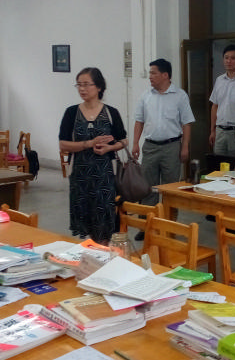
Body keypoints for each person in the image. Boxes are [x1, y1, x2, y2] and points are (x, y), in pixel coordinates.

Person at [59, 67, 127, 243]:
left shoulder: (111, 112)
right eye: (79, 85)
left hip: (104, 176)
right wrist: (88, 144)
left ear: (99, 87)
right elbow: (63, 144)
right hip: (80, 176)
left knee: (104, 221)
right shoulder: (71, 112)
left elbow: (124, 141)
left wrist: (109, 149)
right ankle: (92, 252)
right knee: (85, 219)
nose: (82, 89)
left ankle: (102, 252)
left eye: (86, 84)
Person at [132, 58, 195, 202]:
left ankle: (169, 216)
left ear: (165, 75)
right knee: (148, 187)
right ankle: (148, 215)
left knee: (171, 188)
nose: (150, 76)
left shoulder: (180, 96)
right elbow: (139, 121)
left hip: (171, 147)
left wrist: (185, 147)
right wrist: (135, 143)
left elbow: (187, 123)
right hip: (150, 147)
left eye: (153, 73)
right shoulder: (146, 96)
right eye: (150, 73)